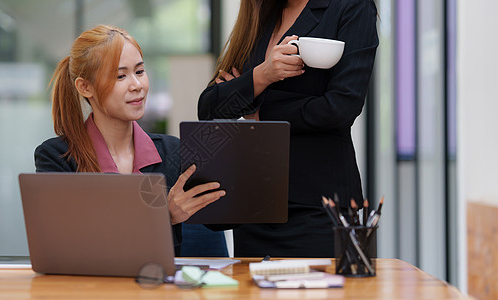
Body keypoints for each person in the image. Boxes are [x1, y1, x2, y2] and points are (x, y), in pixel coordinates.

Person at [198, 0, 379, 257]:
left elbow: (341, 107)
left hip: (320, 207)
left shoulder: (351, 7)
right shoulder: (261, 12)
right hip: (255, 202)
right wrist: (263, 75)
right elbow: (209, 107)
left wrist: (259, 111)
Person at [34, 25, 227, 256]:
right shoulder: (56, 158)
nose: (137, 85)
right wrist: (166, 216)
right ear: (85, 87)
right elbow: (68, 247)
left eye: (140, 71)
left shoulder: (174, 151)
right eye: (120, 76)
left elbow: (221, 219)